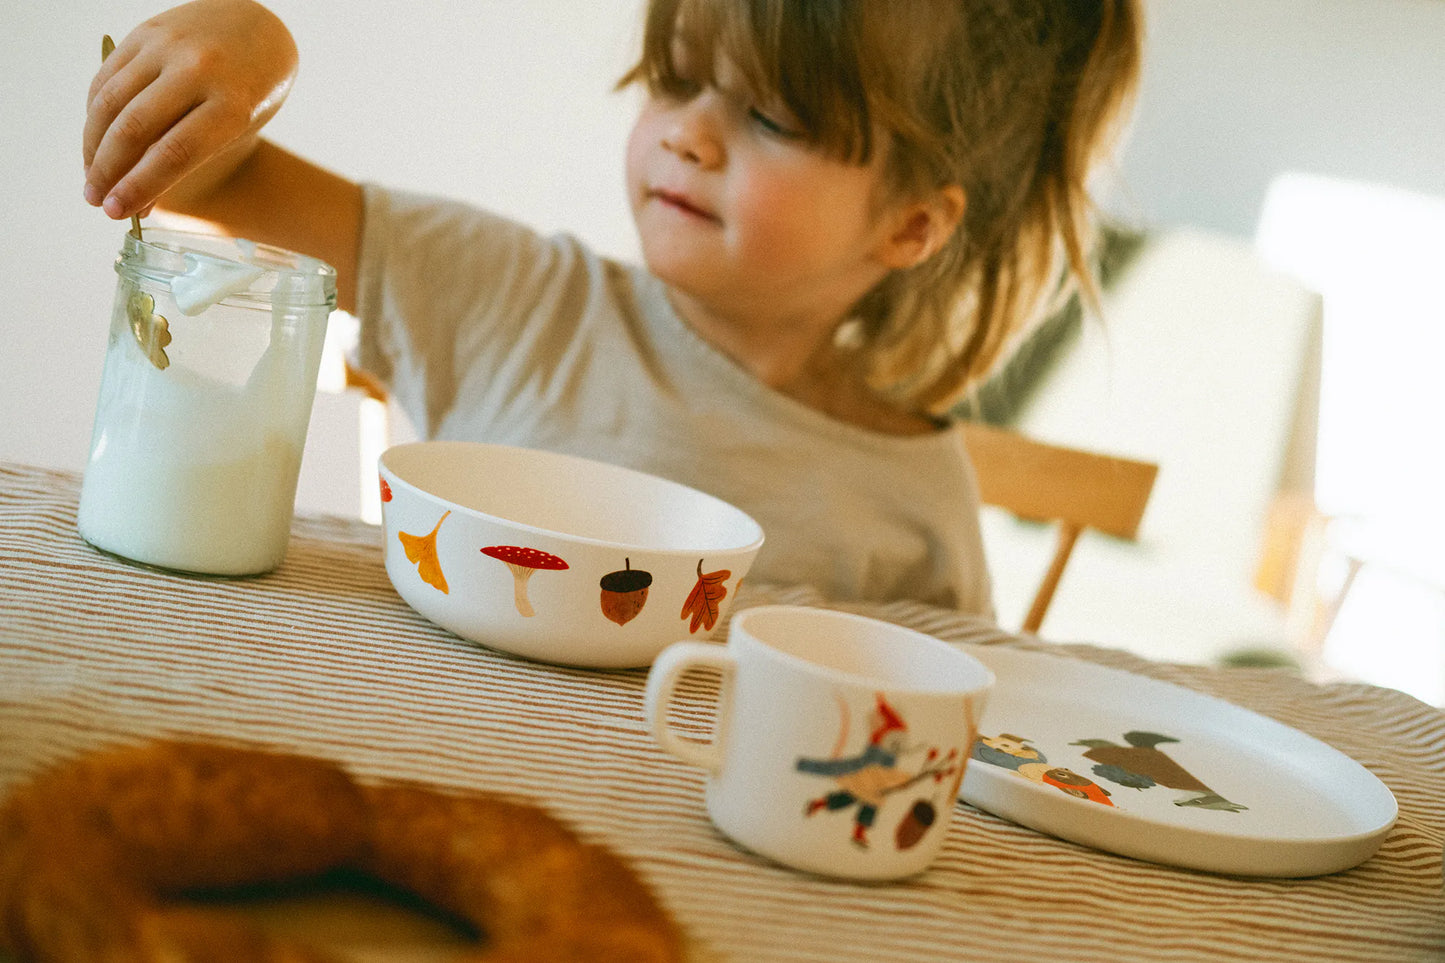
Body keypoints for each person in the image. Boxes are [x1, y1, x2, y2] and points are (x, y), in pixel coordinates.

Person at [81, 0, 1141, 613]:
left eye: (772, 117)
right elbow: (203, 177)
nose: (686, 133)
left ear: (910, 226)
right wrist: (249, 40)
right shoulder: (509, 293)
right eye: (673, 81)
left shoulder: (917, 505)